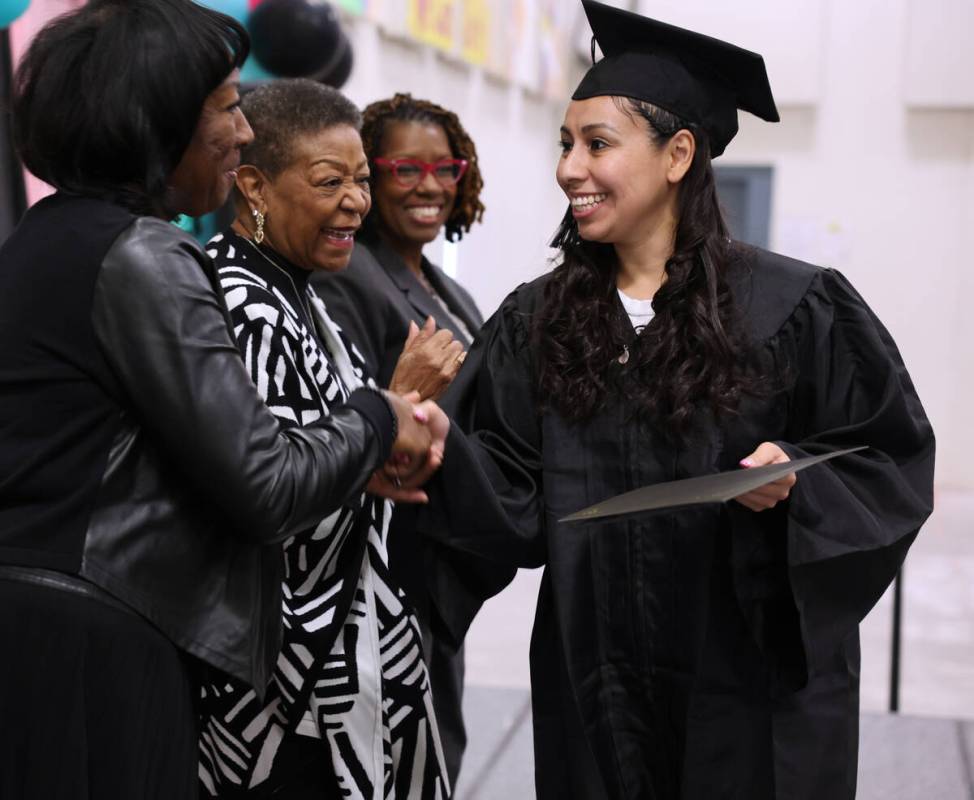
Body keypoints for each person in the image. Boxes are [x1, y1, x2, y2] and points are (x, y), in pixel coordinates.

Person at [417, 2, 936, 798]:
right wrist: (428, 445)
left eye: (597, 144)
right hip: (596, 683)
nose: (569, 170)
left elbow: (886, 461)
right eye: (565, 145)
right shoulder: (539, 320)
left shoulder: (796, 308)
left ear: (677, 155)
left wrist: (796, 478)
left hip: (745, 690)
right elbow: (507, 490)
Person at [0, 3, 439, 798]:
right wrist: (381, 413)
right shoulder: (145, 254)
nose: (242, 133)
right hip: (93, 641)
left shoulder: (40, 238)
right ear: (161, 119)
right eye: (229, 106)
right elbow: (266, 486)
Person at [197, 79, 449, 799]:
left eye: (362, 180)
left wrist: (388, 436)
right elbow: (278, 487)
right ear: (254, 185)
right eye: (330, 181)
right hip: (288, 681)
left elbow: (338, 450)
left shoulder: (297, 291)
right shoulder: (244, 303)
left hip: (341, 655)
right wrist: (389, 411)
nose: (357, 202)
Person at [312, 92, 504, 783]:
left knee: (436, 745)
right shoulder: (351, 276)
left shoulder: (439, 284)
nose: (430, 186)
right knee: (405, 756)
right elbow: (350, 416)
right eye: (403, 170)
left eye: (445, 168)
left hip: (443, 551)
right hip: (391, 557)